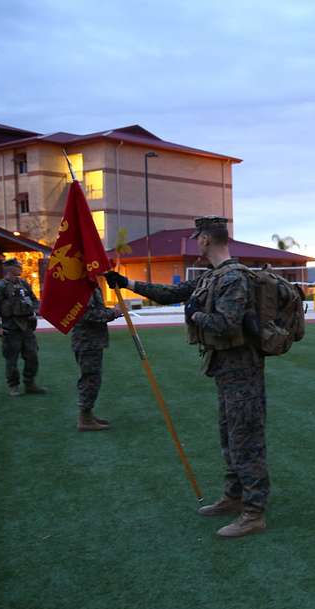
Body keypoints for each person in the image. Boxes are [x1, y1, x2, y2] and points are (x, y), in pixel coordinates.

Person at [105, 216, 270, 539]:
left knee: (245, 439)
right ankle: (234, 496)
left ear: (207, 239)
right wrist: (127, 284)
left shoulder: (234, 277)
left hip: (243, 370)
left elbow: (227, 324)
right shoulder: (214, 276)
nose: (197, 243)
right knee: (229, 436)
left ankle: (254, 512)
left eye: (199, 238)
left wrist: (193, 313)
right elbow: (173, 293)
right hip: (225, 369)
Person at [0, 258, 46, 396]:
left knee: (32, 356)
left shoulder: (24, 284)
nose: (20, 268)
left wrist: (35, 312)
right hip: (10, 327)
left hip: (27, 326)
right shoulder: (0, 286)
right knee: (11, 359)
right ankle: (13, 386)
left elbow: (34, 300)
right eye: (17, 266)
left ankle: (30, 383)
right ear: (9, 269)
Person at [71, 288, 121, 432]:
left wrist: (112, 311)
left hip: (91, 341)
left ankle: (88, 414)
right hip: (87, 341)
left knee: (93, 378)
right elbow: (88, 314)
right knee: (89, 379)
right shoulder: (82, 288)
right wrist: (114, 313)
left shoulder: (90, 285)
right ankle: (85, 419)